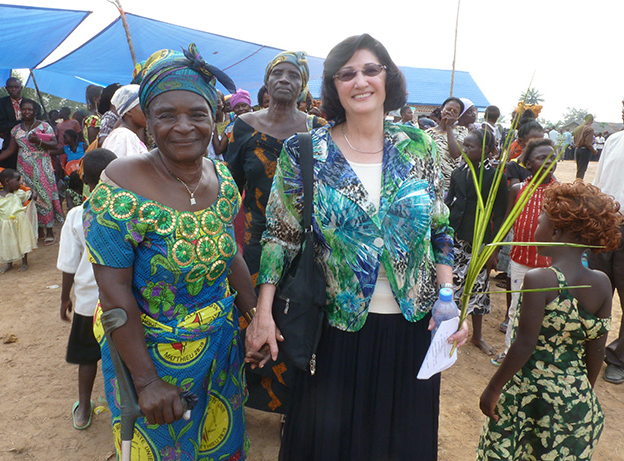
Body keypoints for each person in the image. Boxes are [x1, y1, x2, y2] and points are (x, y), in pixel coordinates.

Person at [245, 34, 469, 460]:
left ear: (388, 78)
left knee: (399, 440)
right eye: (346, 73)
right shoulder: (306, 150)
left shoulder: (417, 145)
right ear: (334, 86)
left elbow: (439, 225)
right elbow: (280, 234)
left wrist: (446, 297)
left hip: (412, 326)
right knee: (332, 443)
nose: (360, 81)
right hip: (335, 329)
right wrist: (262, 313)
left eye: (371, 69)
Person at [85, 44, 257, 458]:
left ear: (215, 120)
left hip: (219, 351)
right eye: (166, 115)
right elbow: (114, 293)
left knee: (221, 443)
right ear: (148, 122)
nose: (183, 127)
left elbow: (229, 251)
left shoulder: (221, 177)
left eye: (197, 114)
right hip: (153, 361)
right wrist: (146, 382)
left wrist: (254, 316)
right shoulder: (121, 186)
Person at [478, 180, 620, 460]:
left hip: (531, 396)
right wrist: (581, 396)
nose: (535, 227)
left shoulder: (539, 279)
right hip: (574, 399)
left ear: (555, 230)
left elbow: (524, 344)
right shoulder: (601, 283)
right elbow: (596, 351)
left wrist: (493, 389)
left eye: (540, 221)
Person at [226, 51, 326, 414]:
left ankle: (289, 407)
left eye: (293, 75)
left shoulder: (317, 129)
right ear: (266, 83)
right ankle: (244, 398)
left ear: (303, 86)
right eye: (277, 74)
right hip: (254, 245)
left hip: (302, 248)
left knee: (294, 319)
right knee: (250, 316)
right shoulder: (244, 126)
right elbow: (230, 184)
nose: (284, 80)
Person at [57, 148, 117, 430]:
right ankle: (121, 403)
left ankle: (83, 408)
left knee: (87, 358)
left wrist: (64, 298)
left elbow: (68, 264)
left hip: (87, 302)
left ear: (84, 179)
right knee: (123, 354)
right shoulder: (127, 212)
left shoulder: (76, 215)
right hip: (121, 300)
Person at [493, 138, 558, 366]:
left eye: (552, 158)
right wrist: (495, 250)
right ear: (528, 164)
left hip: (548, 264)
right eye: (542, 158)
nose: (549, 162)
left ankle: (535, 357)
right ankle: (510, 352)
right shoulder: (518, 189)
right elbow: (506, 222)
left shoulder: (560, 193)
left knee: (544, 312)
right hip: (520, 260)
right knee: (516, 308)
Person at [446, 129, 508, 356]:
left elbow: (500, 214)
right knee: (449, 286)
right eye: (464, 145)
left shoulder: (495, 177)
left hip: (479, 241)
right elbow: (450, 201)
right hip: (454, 237)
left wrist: (493, 249)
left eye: (470, 146)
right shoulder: (458, 172)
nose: (464, 149)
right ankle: (449, 330)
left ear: (486, 151)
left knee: (478, 288)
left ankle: (477, 336)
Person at [0, 99, 63, 245]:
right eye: (24, 109)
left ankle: (50, 230)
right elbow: (10, 150)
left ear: (35, 111)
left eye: (30, 109)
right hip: (24, 168)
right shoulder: (16, 129)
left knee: (44, 197)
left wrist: (38, 141)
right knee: (28, 197)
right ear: (20, 111)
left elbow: (54, 144)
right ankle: (37, 230)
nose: (27, 112)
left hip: (42, 166)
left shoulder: (44, 126)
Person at [588, 98, 624, 384]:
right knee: (595, 291)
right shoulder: (613, 140)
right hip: (605, 225)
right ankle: (589, 349)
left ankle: (617, 358)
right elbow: (599, 183)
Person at [0, 168, 38, 273]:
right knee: (8, 242)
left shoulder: (19, 193)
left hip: (20, 222)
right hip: (5, 223)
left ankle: (24, 262)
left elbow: (30, 197)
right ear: (7, 181)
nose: (20, 183)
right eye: (17, 181)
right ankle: (9, 263)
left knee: (22, 240)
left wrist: (34, 193)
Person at [0, 77, 41, 168]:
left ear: (21, 88)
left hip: (30, 146)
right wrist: (25, 123)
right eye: (10, 87)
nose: (13, 89)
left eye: (16, 87)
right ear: (6, 88)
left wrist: (13, 124)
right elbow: (2, 126)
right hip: (8, 145)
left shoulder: (34, 105)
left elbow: (37, 126)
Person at [425, 96, 467, 190]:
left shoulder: (461, 131)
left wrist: (449, 127)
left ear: (458, 117)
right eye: (448, 109)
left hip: (449, 186)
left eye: (454, 112)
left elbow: (455, 153)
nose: (450, 113)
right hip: (430, 185)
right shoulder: (428, 133)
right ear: (442, 110)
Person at [101, 84, 148, 157]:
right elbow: (122, 167)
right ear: (128, 111)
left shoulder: (127, 135)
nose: (148, 111)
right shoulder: (123, 137)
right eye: (143, 106)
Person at [573, 114, 597, 179]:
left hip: (578, 149)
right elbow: (588, 143)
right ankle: (578, 185)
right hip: (585, 151)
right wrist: (594, 151)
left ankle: (578, 182)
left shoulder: (578, 128)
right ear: (592, 120)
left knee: (579, 169)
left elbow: (574, 139)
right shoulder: (590, 129)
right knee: (582, 170)